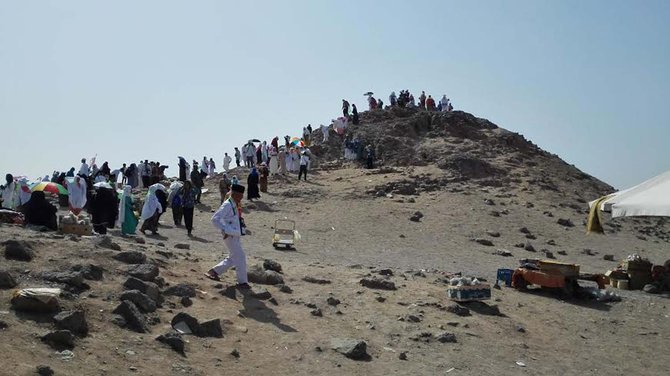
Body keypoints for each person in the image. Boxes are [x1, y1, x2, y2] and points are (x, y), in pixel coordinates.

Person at [205, 184, 250, 288]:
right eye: (240, 196)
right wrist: (225, 230)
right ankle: (242, 282)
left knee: (234, 257)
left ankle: (214, 271)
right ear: (234, 194)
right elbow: (215, 219)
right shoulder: (227, 205)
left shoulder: (235, 204)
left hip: (235, 234)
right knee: (240, 257)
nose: (242, 198)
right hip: (230, 235)